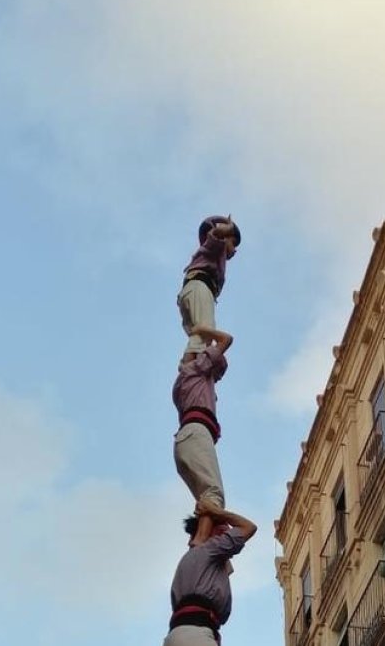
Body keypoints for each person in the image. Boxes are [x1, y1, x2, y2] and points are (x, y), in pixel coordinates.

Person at [165, 498, 257, 646]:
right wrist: (215, 511)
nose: (228, 534)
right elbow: (248, 528)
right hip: (196, 633)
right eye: (223, 531)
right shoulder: (208, 550)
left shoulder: (193, 561)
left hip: (181, 634)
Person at [173, 325, 232, 545]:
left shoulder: (187, 380)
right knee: (213, 494)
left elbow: (218, 364)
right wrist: (201, 329)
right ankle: (199, 543)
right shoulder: (194, 370)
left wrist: (199, 341)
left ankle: (200, 541)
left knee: (205, 502)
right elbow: (226, 340)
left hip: (185, 440)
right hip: (197, 434)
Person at [178, 216, 240, 358]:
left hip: (191, 291)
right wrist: (227, 228)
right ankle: (191, 369)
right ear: (225, 238)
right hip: (200, 287)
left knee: (199, 338)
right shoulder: (216, 248)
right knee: (204, 332)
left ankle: (190, 367)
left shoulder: (215, 255)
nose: (235, 250)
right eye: (233, 243)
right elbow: (214, 237)